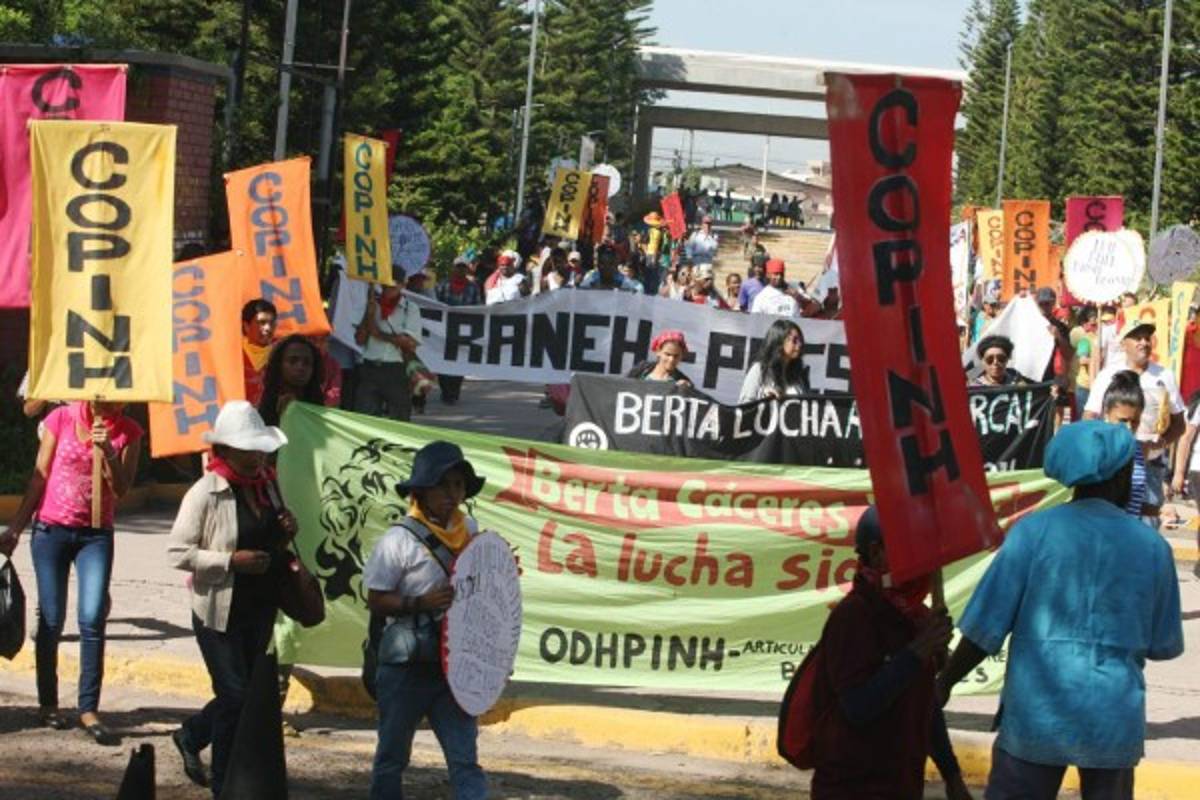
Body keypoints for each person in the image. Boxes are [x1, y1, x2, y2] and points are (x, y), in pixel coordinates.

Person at [937, 420, 1183, 800]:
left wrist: (946, 681)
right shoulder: (1152, 547)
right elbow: (1162, 644)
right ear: (1120, 477)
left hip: (1036, 716)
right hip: (1112, 722)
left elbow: (984, 629)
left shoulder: (1032, 533)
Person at [167, 401, 298, 796]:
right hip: (217, 611)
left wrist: (289, 527)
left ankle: (192, 735)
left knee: (242, 698)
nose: (258, 455)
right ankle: (223, 785)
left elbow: (271, 539)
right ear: (225, 450)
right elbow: (177, 553)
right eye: (248, 449)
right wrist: (229, 561)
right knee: (236, 696)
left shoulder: (269, 485)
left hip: (260, 607)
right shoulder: (205, 492)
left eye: (260, 448)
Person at [0, 401, 141, 745]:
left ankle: (88, 707)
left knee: (92, 617)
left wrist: (107, 449)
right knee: (51, 618)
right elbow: (39, 477)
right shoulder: (60, 418)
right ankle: (48, 703)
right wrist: (16, 529)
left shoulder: (130, 432)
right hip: (50, 532)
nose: (115, 401)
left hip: (96, 536)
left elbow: (122, 489)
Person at [807, 506, 971, 800]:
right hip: (852, 789)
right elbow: (858, 707)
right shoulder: (854, 616)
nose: (924, 562)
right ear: (877, 551)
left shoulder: (917, 617)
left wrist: (952, 776)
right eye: (913, 549)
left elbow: (926, 706)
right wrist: (917, 652)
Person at [364, 441, 489, 799]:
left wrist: (499, 572)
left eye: (459, 486)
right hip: (407, 667)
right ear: (421, 490)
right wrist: (420, 602)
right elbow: (375, 599)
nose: (453, 494)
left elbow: (480, 593)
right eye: (443, 485)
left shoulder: (472, 530)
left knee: (465, 760)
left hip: (456, 667)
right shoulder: (397, 541)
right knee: (391, 758)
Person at [1085, 317, 1185, 529]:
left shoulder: (1164, 376)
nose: (1144, 343)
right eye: (1137, 338)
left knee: (1146, 528)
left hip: (1150, 464)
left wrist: (1156, 445)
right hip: (1113, 464)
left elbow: (1180, 424)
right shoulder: (1107, 376)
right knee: (1112, 521)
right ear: (1124, 344)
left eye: (1147, 338)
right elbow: (1089, 418)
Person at [355, 278, 423, 422]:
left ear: (402, 285)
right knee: (366, 419)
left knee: (399, 420)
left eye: (393, 285)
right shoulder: (373, 304)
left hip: (396, 370)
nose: (388, 289)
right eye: (385, 285)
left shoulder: (410, 308)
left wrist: (378, 333)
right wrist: (369, 316)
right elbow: (359, 340)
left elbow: (409, 343)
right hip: (370, 367)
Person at [435, 258, 482, 405]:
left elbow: (479, 307)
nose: (460, 270)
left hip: (464, 330)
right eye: (458, 267)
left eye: (463, 267)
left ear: (467, 269)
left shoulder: (473, 287)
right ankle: (445, 391)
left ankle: (454, 392)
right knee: (443, 361)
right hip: (444, 329)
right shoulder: (442, 285)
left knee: (459, 361)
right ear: (453, 268)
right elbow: (434, 304)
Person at [1102, 371, 1148, 517]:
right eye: (1123, 420)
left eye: (1134, 422)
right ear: (1106, 414)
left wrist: (1159, 511)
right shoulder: (1097, 451)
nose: (1128, 427)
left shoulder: (1136, 450)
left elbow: (1132, 504)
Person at [257, 334, 326, 427]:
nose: (300, 367)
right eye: (292, 361)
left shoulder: (318, 405)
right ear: (279, 365)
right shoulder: (262, 402)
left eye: (307, 362)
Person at [739, 319, 808, 401]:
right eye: (794, 340)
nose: (799, 344)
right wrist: (763, 400)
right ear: (779, 342)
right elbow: (743, 407)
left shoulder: (800, 375)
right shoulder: (759, 370)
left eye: (800, 340)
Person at [242, 298, 278, 406]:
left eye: (272, 323)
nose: (268, 328)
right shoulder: (233, 354)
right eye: (262, 323)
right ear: (246, 326)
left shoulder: (280, 354)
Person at [626, 330, 692, 387]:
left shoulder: (683, 382)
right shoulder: (642, 369)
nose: (671, 359)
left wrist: (687, 391)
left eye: (676, 356)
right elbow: (624, 386)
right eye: (667, 354)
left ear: (682, 356)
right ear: (658, 352)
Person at [578, 243, 642, 293]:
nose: (605, 267)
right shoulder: (591, 278)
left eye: (610, 263)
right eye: (602, 263)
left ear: (615, 264)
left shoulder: (624, 282)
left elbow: (635, 298)